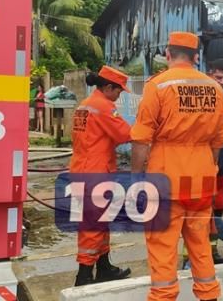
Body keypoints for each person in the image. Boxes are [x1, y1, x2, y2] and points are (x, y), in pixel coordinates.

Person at [131, 31, 223, 301]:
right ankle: (209, 295)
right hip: (202, 179)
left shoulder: (158, 85)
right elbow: (218, 141)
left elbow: (141, 139)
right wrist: (208, 168)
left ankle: (163, 296)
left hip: (165, 180)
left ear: (167, 54)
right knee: (200, 245)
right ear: (196, 57)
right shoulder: (216, 88)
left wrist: (136, 179)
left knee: (162, 248)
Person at [70, 66, 133, 286]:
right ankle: (84, 275)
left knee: (100, 222)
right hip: (95, 175)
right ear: (108, 87)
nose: (119, 95)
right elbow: (125, 134)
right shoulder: (104, 106)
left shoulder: (85, 105)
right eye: (119, 91)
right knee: (93, 225)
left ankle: (104, 267)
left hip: (82, 170)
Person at [182, 58, 223, 270]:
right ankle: (192, 259)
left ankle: (211, 251)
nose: (222, 82)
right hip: (202, 166)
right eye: (219, 77)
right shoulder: (199, 97)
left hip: (221, 168)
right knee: (201, 215)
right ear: (209, 74)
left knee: (215, 211)